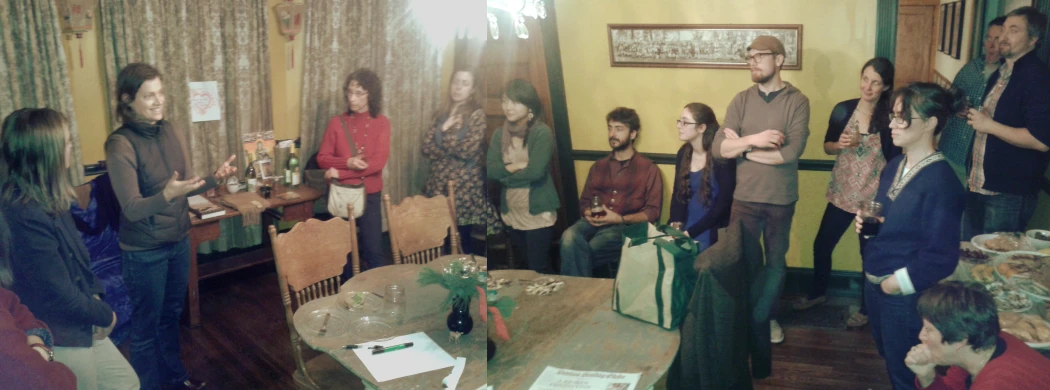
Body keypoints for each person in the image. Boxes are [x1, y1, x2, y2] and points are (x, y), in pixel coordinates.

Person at [105, 63, 235, 390]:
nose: (158, 100)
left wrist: (212, 179)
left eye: (160, 92)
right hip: (143, 251)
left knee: (170, 318)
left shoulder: (171, 129)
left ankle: (176, 380)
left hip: (178, 240)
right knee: (146, 330)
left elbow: (184, 185)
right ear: (127, 100)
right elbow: (133, 209)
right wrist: (166, 195)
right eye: (148, 95)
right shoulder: (119, 144)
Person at [3, 108, 138, 390]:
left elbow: (79, 264)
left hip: (81, 318)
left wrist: (96, 300)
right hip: (60, 330)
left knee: (126, 383)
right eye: (65, 142)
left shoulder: (50, 195)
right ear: (45, 153)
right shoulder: (23, 213)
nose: (70, 148)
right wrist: (104, 314)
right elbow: (58, 295)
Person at [854, 83, 966, 389]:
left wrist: (894, 284)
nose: (892, 124)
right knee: (890, 358)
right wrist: (867, 224)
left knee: (908, 371)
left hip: (904, 297)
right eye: (892, 115)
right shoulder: (894, 166)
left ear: (930, 123)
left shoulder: (942, 182)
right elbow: (889, 220)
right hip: (875, 283)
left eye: (903, 118)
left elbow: (940, 257)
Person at [711, 35, 810, 344]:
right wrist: (755, 140)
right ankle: (746, 317)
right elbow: (718, 148)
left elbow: (789, 153)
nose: (752, 61)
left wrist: (741, 148)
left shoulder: (797, 100)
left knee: (775, 264)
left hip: (781, 199)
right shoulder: (741, 99)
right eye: (749, 56)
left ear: (779, 60)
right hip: (745, 198)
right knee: (742, 261)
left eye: (759, 55)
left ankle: (767, 318)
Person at [793, 58, 900, 330]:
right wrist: (837, 144)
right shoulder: (843, 109)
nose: (868, 86)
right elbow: (827, 146)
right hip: (842, 193)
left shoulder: (890, 117)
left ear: (885, 86)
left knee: (869, 256)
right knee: (822, 245)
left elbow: (896, 159)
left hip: (872, 201)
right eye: (865, 79)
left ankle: (865, 308)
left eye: (876, 82)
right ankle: (818, 293)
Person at [963, 7, 1050, 238]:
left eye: (1013, 30)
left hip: (1008, 194)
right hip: (977, 184)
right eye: (1003, 30)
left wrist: (989, 125)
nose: (1002, 37)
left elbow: (1041, 140)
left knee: (998, 265)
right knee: (969, 257)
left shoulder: (1038, 78)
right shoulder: (1000, 73)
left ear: (1033, 39)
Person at [560, 107, 663, 277]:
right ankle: (589, 295)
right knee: (568, 237)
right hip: (593, 222)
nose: (612, 134)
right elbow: (584, 202)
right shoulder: (598, 166)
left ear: (633, 134)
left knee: (589, 249)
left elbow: (653, 212)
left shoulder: (648, 168)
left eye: (619, 129)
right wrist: (588, 212)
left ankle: (579, 297)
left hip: (625, 227)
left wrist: (619, 219)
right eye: (610, 128)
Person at [905, 281, 1050, 389]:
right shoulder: (978, 347)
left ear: (960, 339)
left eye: (928, 329)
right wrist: (927, 376)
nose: (921, 336)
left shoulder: (996, 383)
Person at [318, 68, 391, 279]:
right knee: (344, 253)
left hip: (369, 195)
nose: (352, 98)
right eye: (349, 92)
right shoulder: (336, 122)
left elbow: (377, 164)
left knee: (374, 250)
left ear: (371, 94)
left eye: (359, 93)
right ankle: (348, 300)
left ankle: (377, 297)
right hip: (341, 195)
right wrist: (347, 162)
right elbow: (323, 158)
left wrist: (339, 173)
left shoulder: (382, 123)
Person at [422, 68, 502, 255]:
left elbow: (467, 151)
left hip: (464, 188)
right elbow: (426, 148)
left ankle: (465, 280)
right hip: (439, 184)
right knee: (440, 238)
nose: (458, 87)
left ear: (473, 89)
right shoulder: (441, 113)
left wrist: (443, 133)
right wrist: (447, 131)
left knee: (461, 240)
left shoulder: (476, 115)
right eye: (456, 82)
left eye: (465, 83)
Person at [487, 79, 559, 274]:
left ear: (529, 106)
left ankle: (554, 304)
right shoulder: (498, 134)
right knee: (523, 269)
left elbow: (536, 172)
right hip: (512, 211)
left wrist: (505, 174)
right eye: (504, 101)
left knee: (538, 268)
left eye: (515, 102)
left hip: (537, 213)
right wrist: (518, 166)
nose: (508, 107)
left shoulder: (541, 132)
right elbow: (491, 170)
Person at [938, 17, 1006, 184]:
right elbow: (949, 98)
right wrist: (956, 107)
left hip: (983, 159)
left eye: (997, 40)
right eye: (988, 38)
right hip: (952, 148)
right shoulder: (971, 68)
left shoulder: (1010, 76)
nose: (990, 45)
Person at [668, 102, 735, 252]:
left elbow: (724, 204)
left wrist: (690, 233)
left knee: (699, 260)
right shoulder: (683, 153)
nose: (679, 126)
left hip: (712, 227)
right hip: (687, 223)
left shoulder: (720, 156)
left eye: (685, 122)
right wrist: (675, 226)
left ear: (701, 128)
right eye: (679, 121)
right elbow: (678, 196)